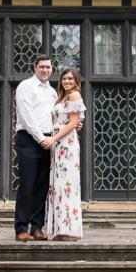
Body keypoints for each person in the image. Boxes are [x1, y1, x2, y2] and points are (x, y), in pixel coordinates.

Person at [14, 54, 56, 242]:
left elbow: (57, 116)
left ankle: (37, 227)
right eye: (42, 67)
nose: (45, 70)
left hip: (48, 141)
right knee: (27, 184)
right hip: (29, 139)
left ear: (51, 69)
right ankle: (21, 228)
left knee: (42, 186)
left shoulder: (53, 92)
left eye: (48, 67)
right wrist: (41, 138)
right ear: (35, 67)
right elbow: (27, 116)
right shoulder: (26, 87)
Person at [41, 67, 85, 241]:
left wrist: (53, 139)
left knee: (67, 184)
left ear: (76, 81)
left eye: (70, 79)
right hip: (59, 145)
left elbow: (74, 122)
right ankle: (60, 227)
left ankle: (70, 230)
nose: (67, 81)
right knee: (58, 184)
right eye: (64, 79)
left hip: (67, 144)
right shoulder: (61, 97)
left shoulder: (74, 95)